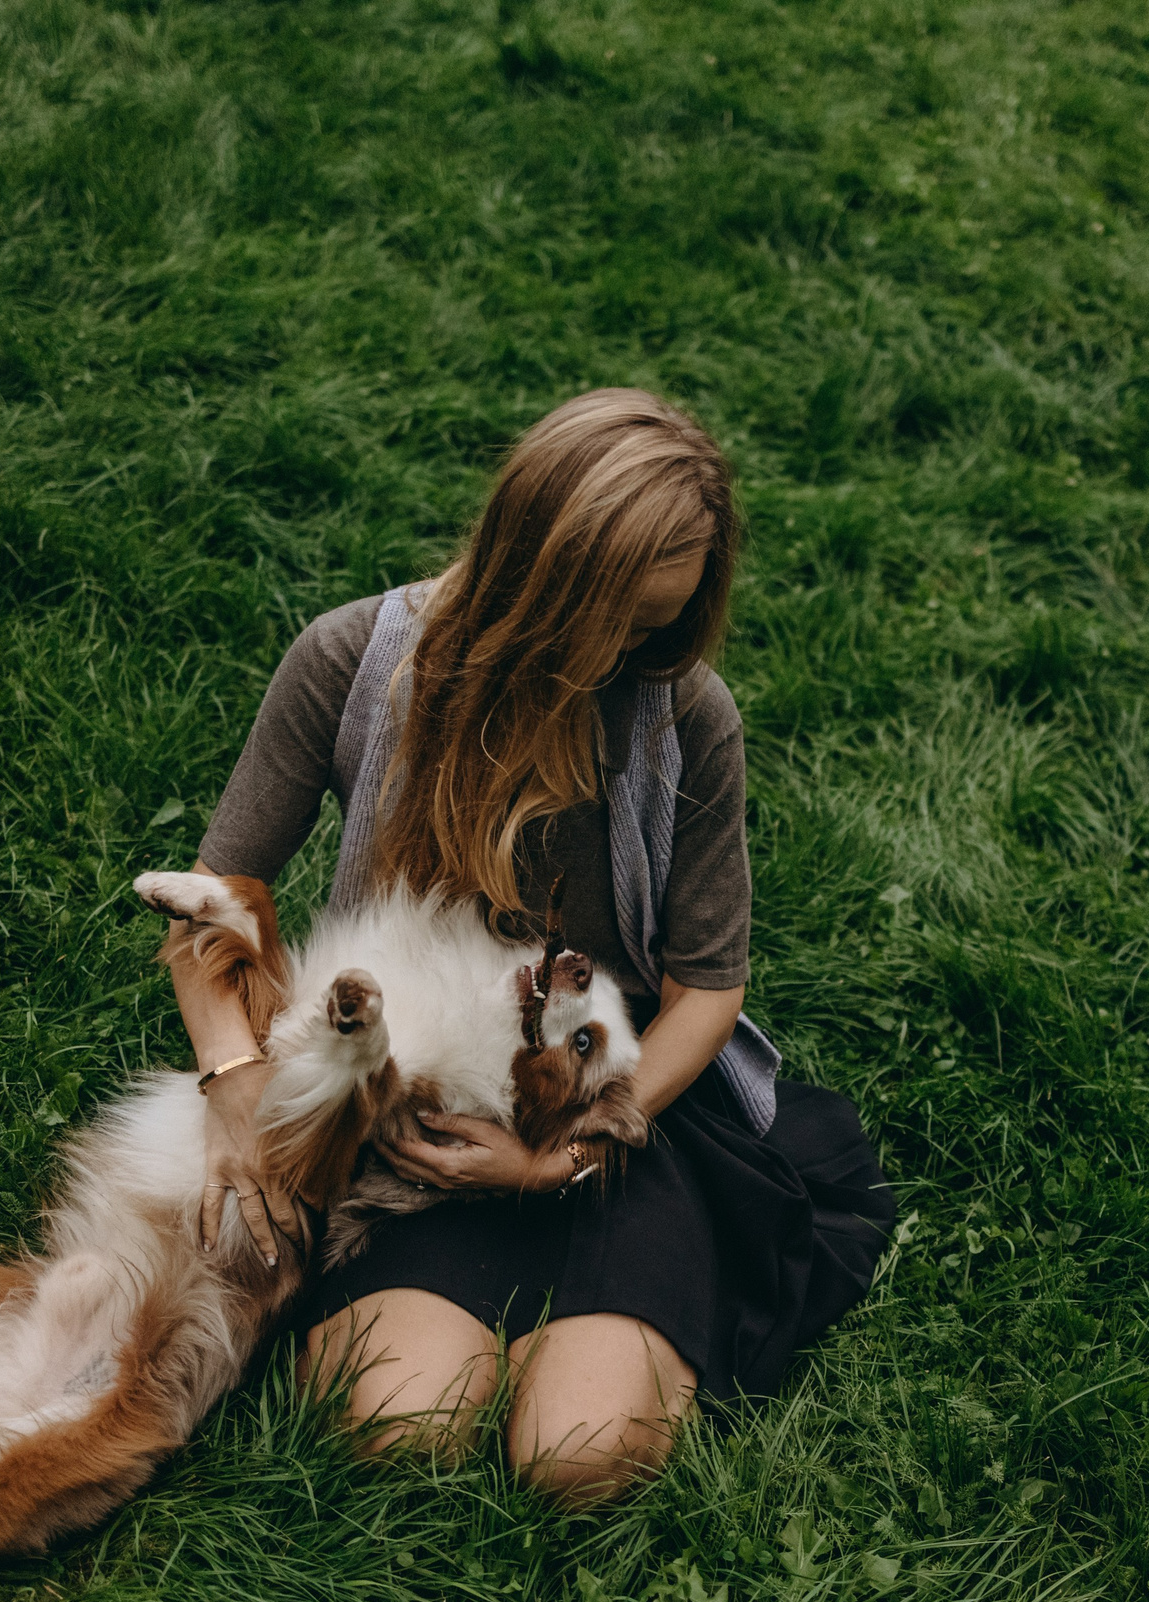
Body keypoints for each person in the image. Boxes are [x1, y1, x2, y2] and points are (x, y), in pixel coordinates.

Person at [161, 389, 895, 1507]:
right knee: (401, 1432)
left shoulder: (681, 710)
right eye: (605, 620)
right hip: (411, 1097)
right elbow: (214, 904)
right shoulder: (354, 662)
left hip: (615, 1098)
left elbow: (705, 991)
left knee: (579, 1458)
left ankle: (599, 1312)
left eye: (655, 624)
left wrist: (562, 1157)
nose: (623, 653)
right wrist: (234, 1083)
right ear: (528, 570)